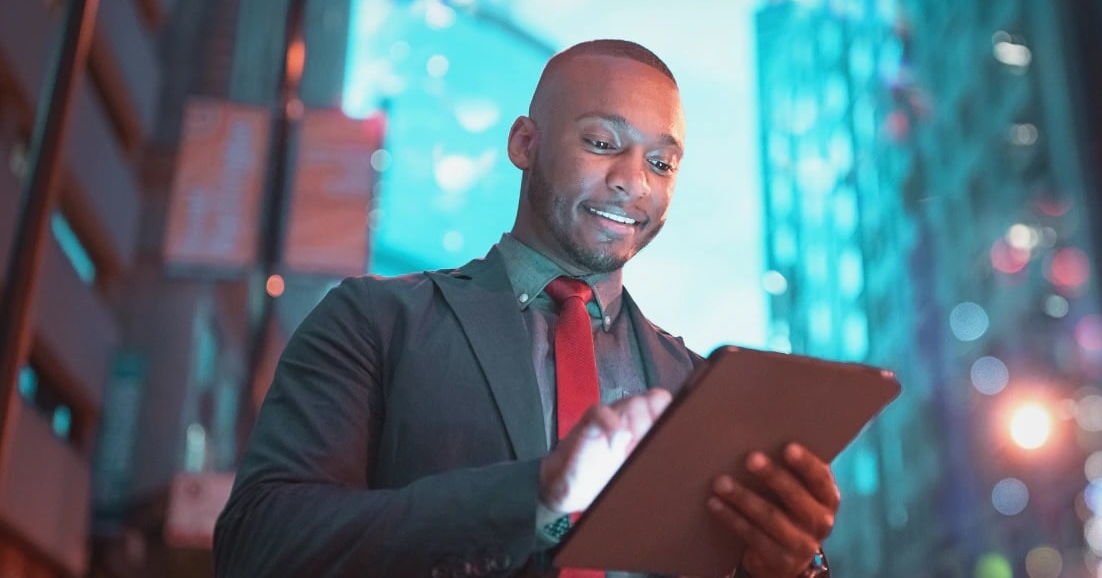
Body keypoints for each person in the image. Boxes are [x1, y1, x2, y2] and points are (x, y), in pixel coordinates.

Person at [214, 39, 838, 577]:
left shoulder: (701, 386)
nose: (633, 182)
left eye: (660, 163)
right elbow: (259, 542)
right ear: (524, 143)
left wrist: (783, 568)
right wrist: (535, 497)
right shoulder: (374, 320)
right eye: (602, 142)